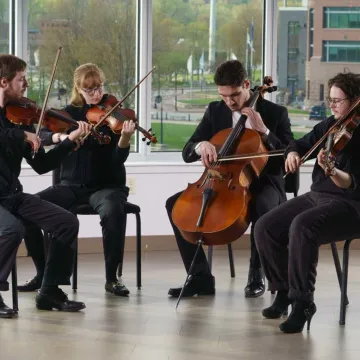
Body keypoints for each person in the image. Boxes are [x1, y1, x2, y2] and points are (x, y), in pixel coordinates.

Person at [166, 60, 293, 298]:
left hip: (266, 182)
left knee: (261, 206)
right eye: (224, 96)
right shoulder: (215, 111)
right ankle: (199, 277)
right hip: (223, 181)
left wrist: (264, 131)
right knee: (175, 205)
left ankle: (257, 274)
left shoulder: (276, 114)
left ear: (246, 84)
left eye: (234, 95)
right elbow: (187, 151)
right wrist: (201, 145)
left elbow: (287, 157)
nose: (230, 102)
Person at [254, 72, 360, 333]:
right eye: (330, 99)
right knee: (266, 226)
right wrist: (291, 153)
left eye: (338, 100)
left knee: (303, 226)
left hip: (351, 205)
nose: (332, 105)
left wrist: (333, 172)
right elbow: (299, 144)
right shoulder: (329, 126)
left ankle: (303, 303)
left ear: (356, 100)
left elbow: (352, 183)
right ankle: (283, 292)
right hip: (317, 197)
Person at [18, 63, 136, 297]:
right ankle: (44, 274)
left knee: (113, 212)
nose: (96, 93)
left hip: (107, 186)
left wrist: (124, 138)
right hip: (70, 186)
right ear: (78, 89)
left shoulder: (115, 113)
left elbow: (117, 160)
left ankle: (112, 278)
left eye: (99, 87)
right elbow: (41, 135)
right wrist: (63, 136)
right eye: (89, 89)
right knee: (26, 210)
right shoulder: (68, 114)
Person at [0, 54, 91, 317]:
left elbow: (41, 165)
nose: (26, 84)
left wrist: (68, 143)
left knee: (66, 222)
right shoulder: (18, 127)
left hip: (11, 195)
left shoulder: (20, 117)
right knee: (12, 228)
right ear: (4, 82)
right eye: (21, 79)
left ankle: (49, 290)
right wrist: (23, 134)